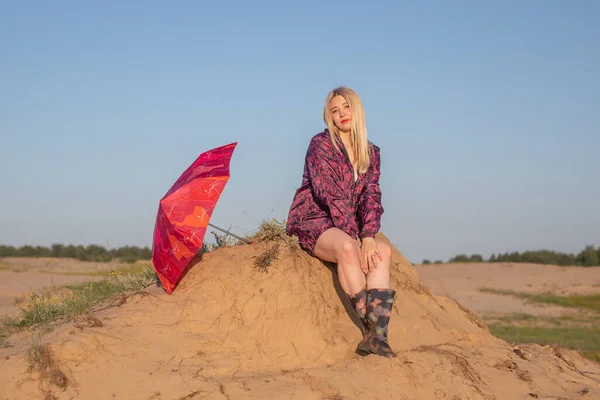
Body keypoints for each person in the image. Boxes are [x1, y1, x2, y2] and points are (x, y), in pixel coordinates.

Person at [286, 86, 396, 358]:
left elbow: (372, 194)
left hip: (349, 223)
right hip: (314, 218)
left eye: (345, 107)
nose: (341, 114)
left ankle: (379, 337)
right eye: (334, 110)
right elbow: (330, 194)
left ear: (356, 109)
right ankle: (368, 328)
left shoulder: (371, 151)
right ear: (329, 117)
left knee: (382, 251)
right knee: (348, 248)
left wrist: (369, 235)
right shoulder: (320, 145)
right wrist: (356, 239)